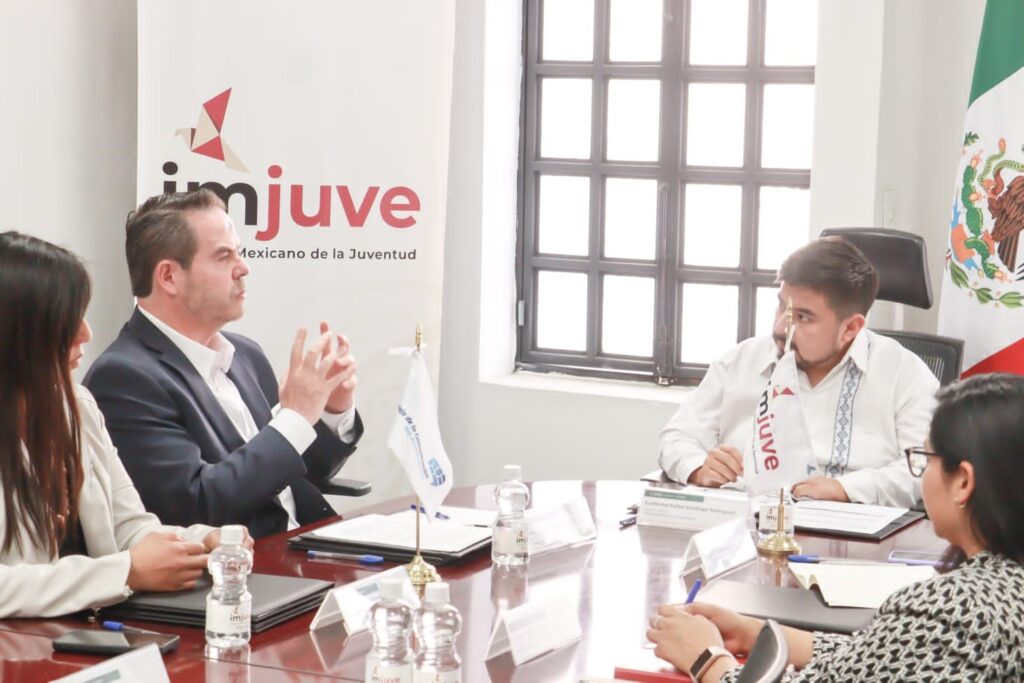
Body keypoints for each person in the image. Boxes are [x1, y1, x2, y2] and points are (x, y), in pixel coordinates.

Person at [648, 373, 1024, 681]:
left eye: (925, 459)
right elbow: (883, 658)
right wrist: (756, 634)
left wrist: (706, 658)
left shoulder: (957, 609)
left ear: (963, 482)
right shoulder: (1001, 590)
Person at [84, 189, 363, 538]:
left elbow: (299, 469)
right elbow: (197, 504)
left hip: (306, 543)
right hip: (239, 563)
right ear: (168, 276)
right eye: (224, 256)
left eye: (239, 253)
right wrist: (296, 417)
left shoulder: (246, 354)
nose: (243, 268)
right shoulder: (124, 378)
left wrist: (330, 411)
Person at [0, 231, 250, 618]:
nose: (86, 333)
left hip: (88, 631)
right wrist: (125, 572)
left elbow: (128, 527)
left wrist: (201, 543)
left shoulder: (77, 406)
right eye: (65, 321)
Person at [659, 238, 938, 507]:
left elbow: (926, 468)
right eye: (782, 305)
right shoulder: (740, 361)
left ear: (851, 328)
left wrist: (846, 489)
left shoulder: (904, 374)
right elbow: (677, 437)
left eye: (802, 317)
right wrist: (698, 467)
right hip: (745, 523)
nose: (781, 327)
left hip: (848, 531)